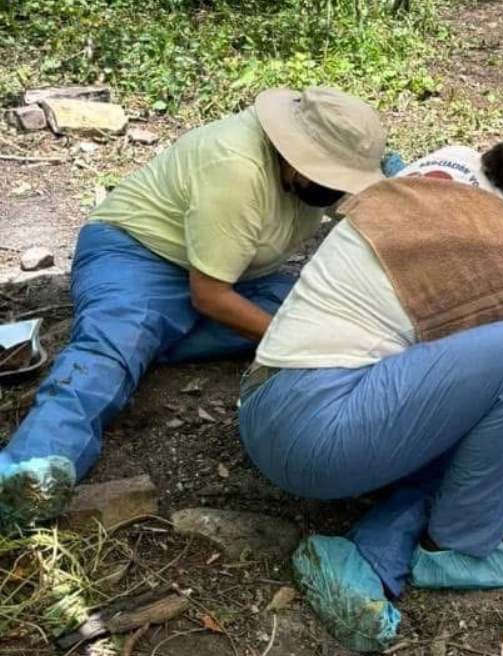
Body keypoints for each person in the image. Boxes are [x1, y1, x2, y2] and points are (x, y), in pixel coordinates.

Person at [237, 124, 503, 651]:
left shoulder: (448, 163)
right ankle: (459, 545)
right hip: (324, 435)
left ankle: (371, 556)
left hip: (261, 401)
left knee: (460, 413)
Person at [0, 87, 387, 534]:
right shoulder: (237, 170)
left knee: (328, 311)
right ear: (297, 158)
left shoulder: (318, 165)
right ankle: (31, 466)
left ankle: (146, 341)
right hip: (138, 254)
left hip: (236, 272)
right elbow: (209, 295)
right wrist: (294, 341)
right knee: (114, 342)